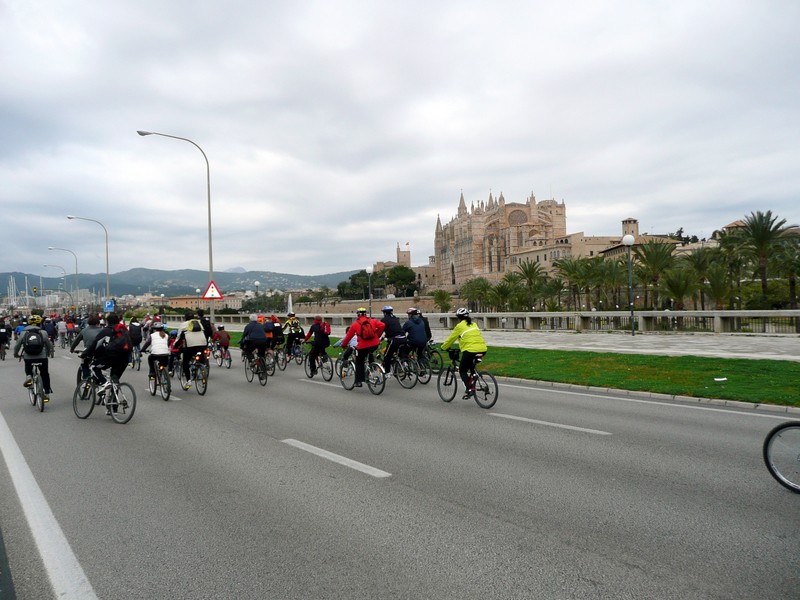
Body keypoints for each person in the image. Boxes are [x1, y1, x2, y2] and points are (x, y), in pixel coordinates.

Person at [83, 312, 130, 407]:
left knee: (93, 366)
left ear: (107, 322)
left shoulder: (106, 331)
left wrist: (85, 354)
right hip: (124, 359)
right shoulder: (124, 330)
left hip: (111, 357)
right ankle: (113, 408)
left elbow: (94, 345)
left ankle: (104, 383)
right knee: (115, 380)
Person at [440, 308, 488, 399]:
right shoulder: (474, 324)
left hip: (470, 350)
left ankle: (470, 389)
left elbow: (451, 339)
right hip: (482, 349)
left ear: (459, 318)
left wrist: (443, 347)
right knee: (470, 365)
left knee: (462, 370)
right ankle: (474, 375)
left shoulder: (459, 326)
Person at [340, 308, 385, 387]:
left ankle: (358, 381)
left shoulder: (355, 324)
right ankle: (372, 367)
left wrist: (344, 344)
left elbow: (348, 336)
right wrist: (377, 336)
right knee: (369, 353)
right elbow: (382, 325)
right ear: (365, 314)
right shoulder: (372, 321)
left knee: (359, 361)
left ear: (358, 314)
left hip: (363, 346)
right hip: (375, 344)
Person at [13, 315, 54, 401]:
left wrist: (16, 354)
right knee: (45, 374)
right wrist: (50, 352)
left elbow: (17, 345)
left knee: (28, 366)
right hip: (42, 357)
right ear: (40, 323)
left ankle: (29, 377)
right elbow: (49, 344)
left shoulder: (24, 333)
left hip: (28, 357)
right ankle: (46, 393)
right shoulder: (43, 332)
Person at [177, 311, 208, 390]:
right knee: (202, 359)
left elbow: (179, 338)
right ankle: (202, 371)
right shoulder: (199, 322)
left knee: (185, 362)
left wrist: (175, 346)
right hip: (203, 344)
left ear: (185, 318)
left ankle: (188, 380)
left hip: (190, 346)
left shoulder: (183, 325)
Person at [70, 314, 103, 380]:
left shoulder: (84, 330)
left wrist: (72, 349)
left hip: (88, 351)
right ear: (98, 323)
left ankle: (86, 379)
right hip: (100, 350)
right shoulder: (102, 330)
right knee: (97, 366)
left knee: (84, 364)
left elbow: (76, 341)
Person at [379, 305, 406, 376]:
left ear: (384, 313)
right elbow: (392, 329)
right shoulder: (395, 318)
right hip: (403, 338)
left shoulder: (384, 320)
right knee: (398, 352)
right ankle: (404, 363)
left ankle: (387, 372)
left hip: (395, 339)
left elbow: (381, 331)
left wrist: (378, 339)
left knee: (387, 356)